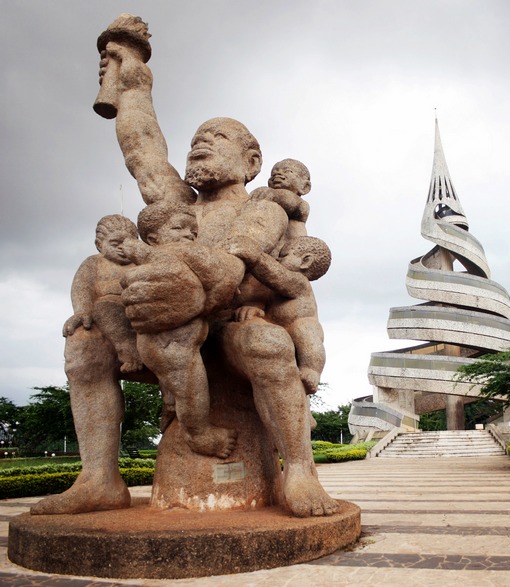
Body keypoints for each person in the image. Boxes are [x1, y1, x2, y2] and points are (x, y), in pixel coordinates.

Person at [32, 31, 338, 518]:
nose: (199, 147)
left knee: (268, 346)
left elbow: (238, 266)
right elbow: (143, 148)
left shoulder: (265, 210)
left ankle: (299, 471)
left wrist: (188, 295)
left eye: (214, 140)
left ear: (251, 161)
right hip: (166, 331)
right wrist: (133, 77)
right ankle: (98, 478)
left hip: (228, 328)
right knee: (85, 344)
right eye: (195, 141)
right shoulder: (177, 207)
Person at [122, 201, 243, 457]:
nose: (188, 235)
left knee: (179, 386)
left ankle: (170, 402)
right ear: (153, 238)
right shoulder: (186, 254)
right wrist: (211, 302)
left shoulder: (150, 259)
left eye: (193, 231)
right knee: (191, 388)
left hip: (162, 341)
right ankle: (199, 435)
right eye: (178, 228)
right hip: (171, 342)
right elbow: (221, 279)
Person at [230, 236, 331, 395]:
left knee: (305, 331)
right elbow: (266, 301)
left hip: (300, 327)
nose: (277, 259)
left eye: (283, 256)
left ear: (305, 261)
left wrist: (256, 257)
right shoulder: (274, 290)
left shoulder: (299, 282)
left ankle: (311, 369)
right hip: (280, 330)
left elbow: (277, 277)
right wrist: (257, 309)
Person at [62, 215, 142, 374]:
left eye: (128, 243)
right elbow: (81, 287)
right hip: (110, 309)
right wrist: (83, 310)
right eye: (115, 243)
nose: (122, 248)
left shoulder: (140, 262)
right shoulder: (94, 263)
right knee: (104, 307)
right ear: (99, 245)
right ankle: (128, 349)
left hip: (139, 307)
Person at [250, 158, 312, 241]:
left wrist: (271, 194)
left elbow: (288, 200)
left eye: (287, 171)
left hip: (294, 247)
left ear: (305, 187)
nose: (278, 174)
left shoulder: (301, 204)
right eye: (273, 174)